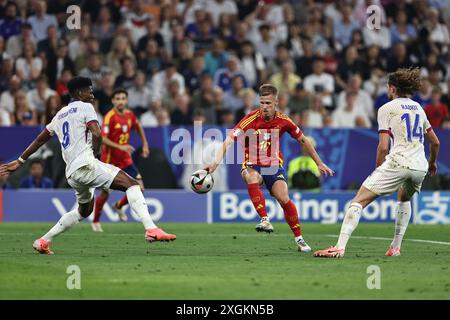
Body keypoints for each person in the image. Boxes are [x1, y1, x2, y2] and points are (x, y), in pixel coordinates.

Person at [0, 77, 175, 255]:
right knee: (132, 184)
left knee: (84, 211)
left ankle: (43, 240)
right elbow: (97, 133)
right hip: (86, 165)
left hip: (72, 173)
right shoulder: (85, 107)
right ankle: (151, 228)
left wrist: (20, 161)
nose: (91, 94)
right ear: (77, 93)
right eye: (88, 90)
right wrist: (97, 153)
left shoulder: (60, 115)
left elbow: (40, 139)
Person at [314, 68, 440, 258]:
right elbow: (435, 142)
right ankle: (395, 247)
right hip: (419, 166)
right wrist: (432, 163)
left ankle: (339, 247)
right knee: (404, 199)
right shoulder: (418, 109)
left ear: (392, 89)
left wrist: (379, 170)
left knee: (357, 201)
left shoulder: (387, 108)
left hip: (398, 162)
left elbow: (383, 146)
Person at [205, 84, 334, 252]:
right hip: (252, 164)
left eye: (268, 103)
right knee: (252, 177)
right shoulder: (250, 119)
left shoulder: (283, 120)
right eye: (262, 103)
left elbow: (303, 140)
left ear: (276, 102)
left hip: (273, 166)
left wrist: (319, 162)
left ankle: (299, 239)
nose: (264, 107)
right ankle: (264, 219)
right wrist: (215, 162)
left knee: (283, 197)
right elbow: (229, 140)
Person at [92, 89, 150, 232]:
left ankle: (118, 206)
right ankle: (96, 221)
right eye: (117, 98)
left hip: (125, 160)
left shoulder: (130, 115)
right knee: (105, 193)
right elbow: (103, 138)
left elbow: (139, 127)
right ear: (113, 101)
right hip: (110, 161)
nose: (120, 101)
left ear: (127, 101)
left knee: (140, 188)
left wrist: (145, 144)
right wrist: (121, 147)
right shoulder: (109, 117)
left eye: (123, 98)